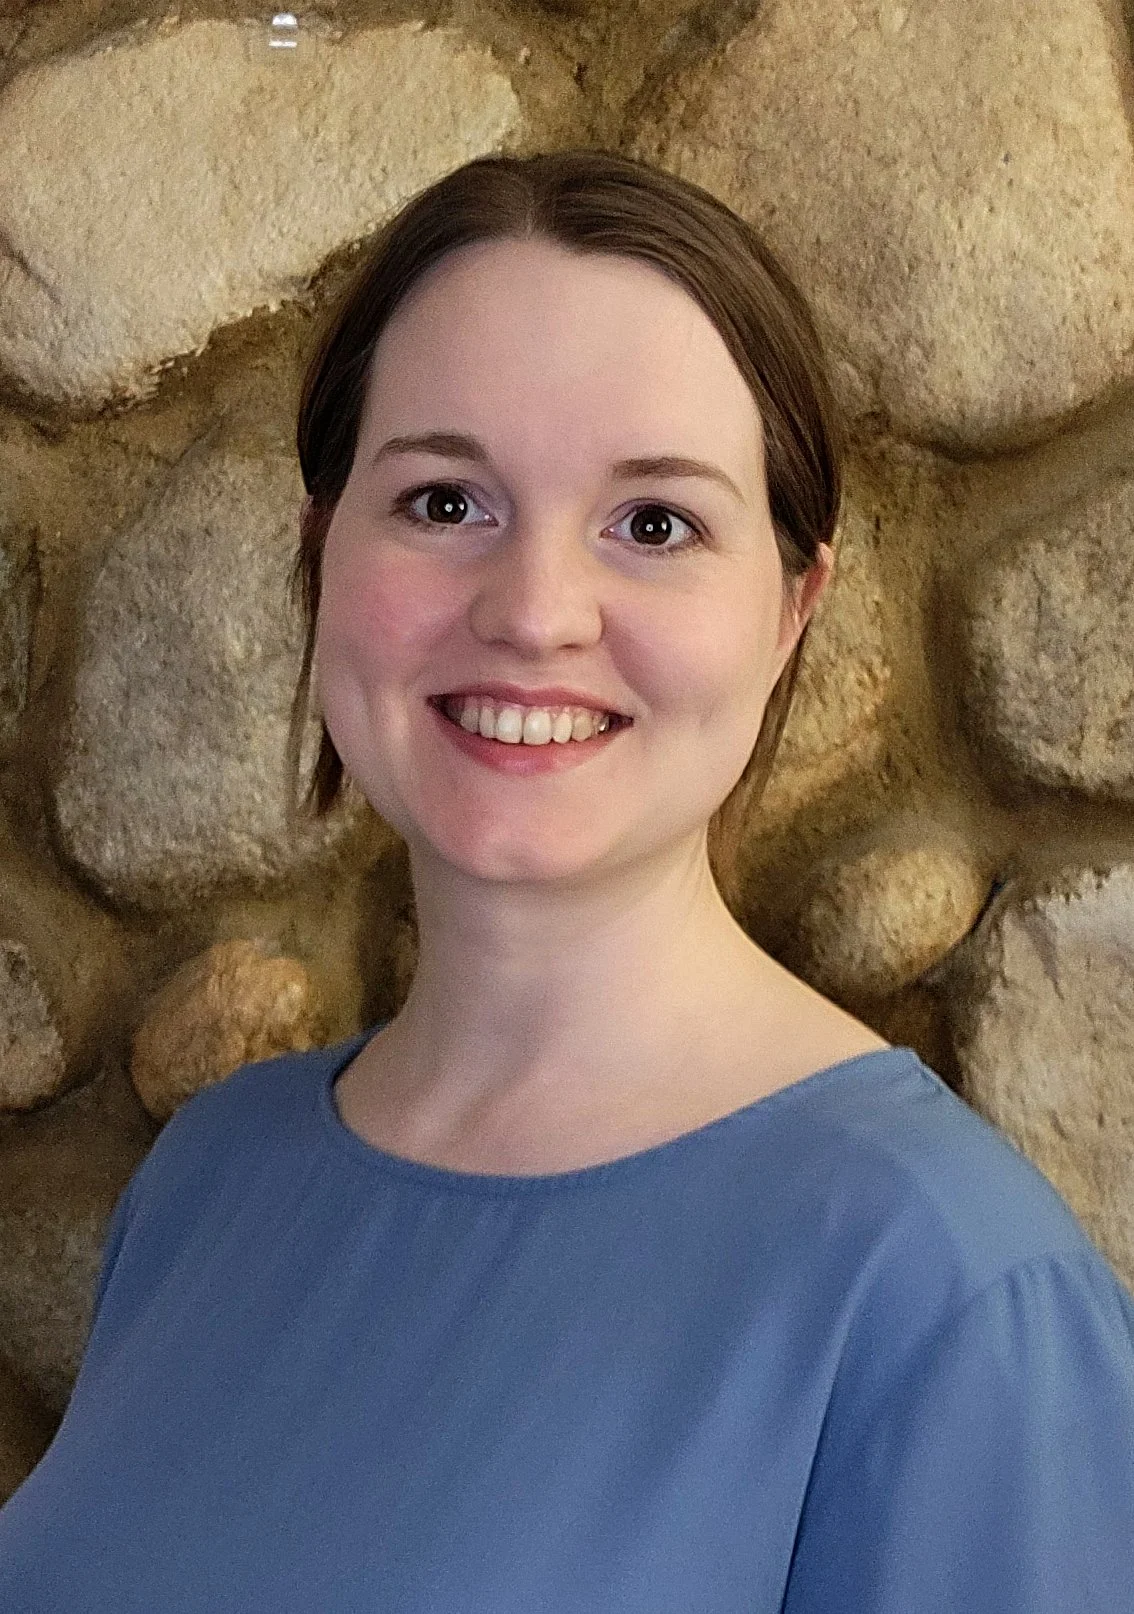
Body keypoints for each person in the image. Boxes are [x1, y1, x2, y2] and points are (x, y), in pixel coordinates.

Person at [1, 148, 1132, 1611]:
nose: (533, 611)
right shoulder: (211, 1181)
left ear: (790, 607)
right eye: (442, 501)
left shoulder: (949, 1300)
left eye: (652, 523)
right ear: (321, 549)